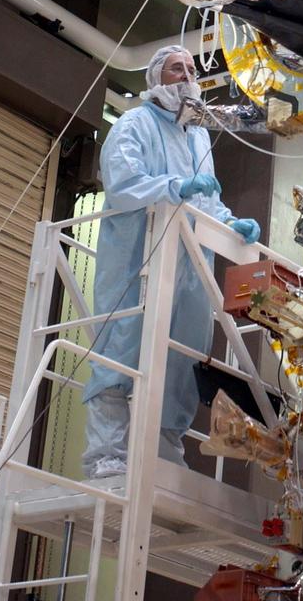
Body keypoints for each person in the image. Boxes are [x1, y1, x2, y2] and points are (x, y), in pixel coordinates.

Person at [82, 45, 262, 479]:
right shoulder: (134, 124)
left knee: (183, 356)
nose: (187, 76)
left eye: (192, 69)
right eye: (176, 68)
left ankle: (164, 451)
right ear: (155, 79)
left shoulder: (197, 136)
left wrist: (230, 222)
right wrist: (174, 186)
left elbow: (207, 199)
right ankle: (106, 453)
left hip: (190, 267)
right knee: (121, 347)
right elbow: (123, 183)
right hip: (136, 259)